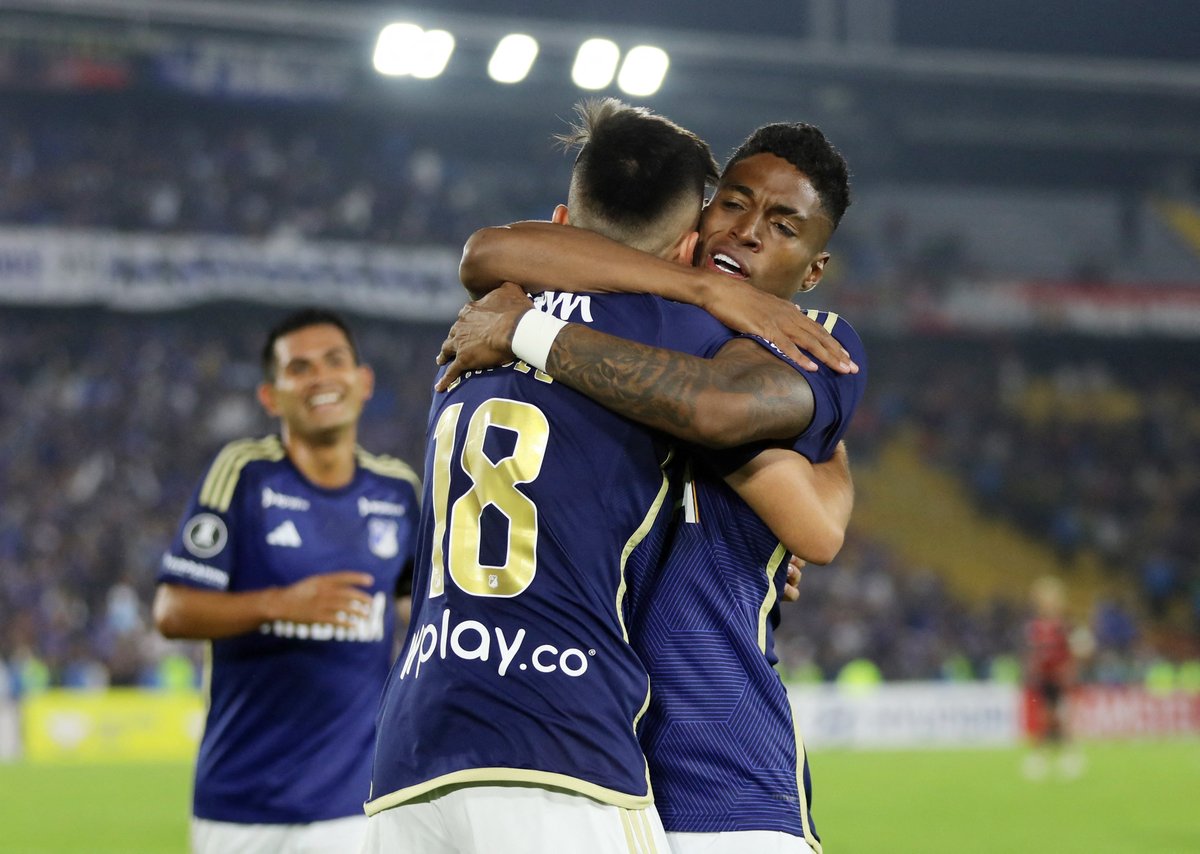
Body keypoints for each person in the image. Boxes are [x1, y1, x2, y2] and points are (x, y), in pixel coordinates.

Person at [365, 100, 855, 854]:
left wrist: (528, 332)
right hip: (592, 752)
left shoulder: (808, 342)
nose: (748, 231)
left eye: (782, 227)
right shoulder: (656, 320)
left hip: (724, 776)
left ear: (814, 270)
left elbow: (811, 519)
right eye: (732, 203)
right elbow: (491, 251)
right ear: (694, 225)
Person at [152, 307, 419, 854]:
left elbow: (418, 612)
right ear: (271, 397)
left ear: (362, 382)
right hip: (241, 806)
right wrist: (280, 603)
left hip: (356, 802)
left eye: (334, 361)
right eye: (299, 368)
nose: (320, 377)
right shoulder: (244, 474)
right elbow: (173, 611)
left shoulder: (398, 489)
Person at [1022, 575, 1085, 780]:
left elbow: (1077, 650)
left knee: (1063, 716)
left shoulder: (1065, 625)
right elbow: (1033, 653)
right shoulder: (1036, 627)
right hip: (1044, 678)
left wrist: (1070, 669)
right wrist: (1032, 670)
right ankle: (1041, 755)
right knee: (1044, 716)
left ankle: (1070, 755)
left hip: (1061, 678)